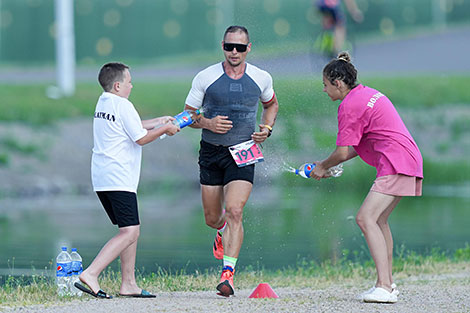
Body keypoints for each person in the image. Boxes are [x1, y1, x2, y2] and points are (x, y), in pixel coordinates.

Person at [311, 52, 423, 303]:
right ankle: (387, 284)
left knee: (365, 217)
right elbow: (354, 147)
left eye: (325, 85)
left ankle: (384, 286)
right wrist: (325, 165)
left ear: (337, 83)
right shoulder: (366, 93)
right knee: (379, 220)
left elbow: (341, 152)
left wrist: (323, 166)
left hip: (396, 163)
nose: (324, 90)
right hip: (407, 159)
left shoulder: (348, 105)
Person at [183, 25, 279, 297]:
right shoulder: (206, 77)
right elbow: (188, 115)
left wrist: (267, 128)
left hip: (244, 152)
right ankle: (222, 230)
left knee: (235, 210)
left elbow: (271, 105)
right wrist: (209, 122)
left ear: (249, 48)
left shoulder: (261, 77)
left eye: (239, 47)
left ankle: (228, 276)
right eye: (229, 47)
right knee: (214, 218)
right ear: (222, 47)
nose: (234, 52)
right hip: (212, 152)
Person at [74, 62, 179, 299]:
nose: (132, 85)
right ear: (118, 85)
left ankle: (128, 283)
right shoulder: (124, 104)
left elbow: (130, 127)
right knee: (131, 232)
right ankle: (91, 273)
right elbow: (140, 139)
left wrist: (158, 121)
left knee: (127, 229)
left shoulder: (103, 102)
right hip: (119, 177)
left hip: (102, 177)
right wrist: (166, 130)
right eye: (129, 81)